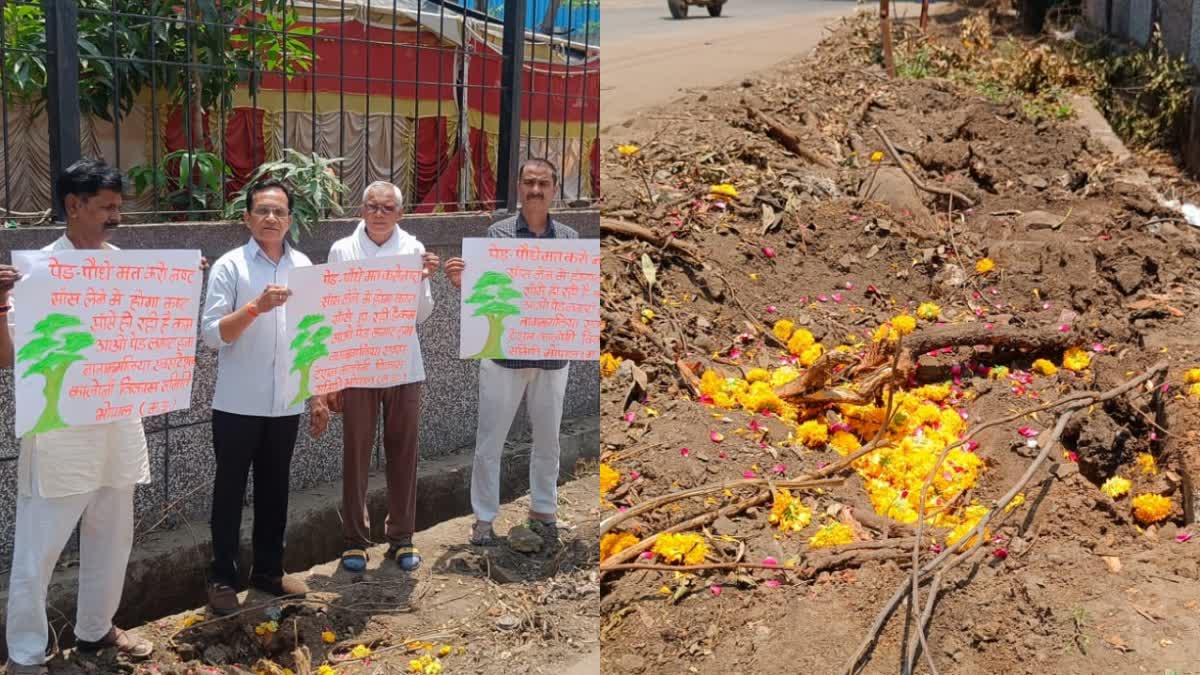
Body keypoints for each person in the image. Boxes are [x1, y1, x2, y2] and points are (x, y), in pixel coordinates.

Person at [0, 159, 154, 673]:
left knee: (113, 537)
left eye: (118, 207)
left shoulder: (120, 264)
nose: (116, 217)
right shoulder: (35, 271)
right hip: (60, 431)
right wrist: (1, 307)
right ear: (74, 206)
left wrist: (171, 295)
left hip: (117, 423)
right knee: (39, 550)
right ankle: (25, 655)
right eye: (107, 207)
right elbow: (8, 357)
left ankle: (95, 631)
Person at [200, 178, 330, 615]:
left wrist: (316, 395)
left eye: (279, 211)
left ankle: (269, 571)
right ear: (247, 217)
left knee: (276, 490)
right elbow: (213, 336)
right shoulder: (230, 267)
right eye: (262, 210)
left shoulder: (305, 266)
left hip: (285, 403)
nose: (271, 218)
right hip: (238, 404)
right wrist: (256, 307)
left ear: (290, 220)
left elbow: (312, 336)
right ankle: (222, 577)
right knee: (230, 493)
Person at [444, 157, 578, 547]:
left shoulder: (569, 240)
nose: (536, 190)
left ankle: (543, 510)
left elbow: (574, 298)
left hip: (553, 358)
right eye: (529, 183)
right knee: (490, 441)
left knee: (549, 441)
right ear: (518, 187)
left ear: (554, 189)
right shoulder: (496, 235)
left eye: (544, 183)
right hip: (503, 357)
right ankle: (484, 519)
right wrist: (462, 284)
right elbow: (484, 291)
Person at [325, 181, 439, 572]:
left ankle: (402, 536)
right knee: (356, 453)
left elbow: (421, 315)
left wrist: (423, 277)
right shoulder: (342, 249)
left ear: (400, 214)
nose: (378, 213)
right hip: (357, 364)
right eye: (371, 206)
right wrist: (333, 374)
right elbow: (333, 310)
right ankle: (355, 540)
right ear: (361, 210)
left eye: (386, 208)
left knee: (404, 451)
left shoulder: (413, 249)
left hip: (403, 365)